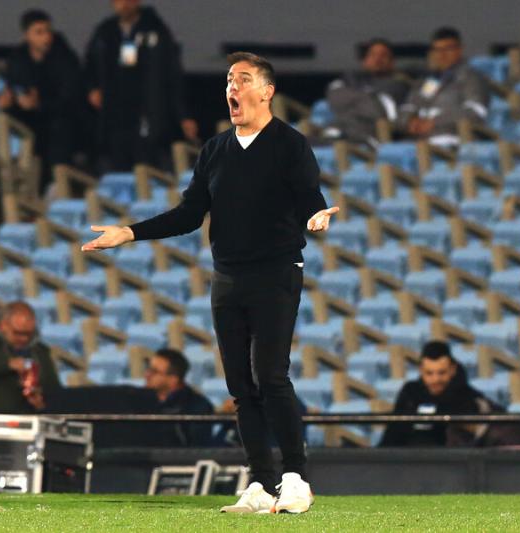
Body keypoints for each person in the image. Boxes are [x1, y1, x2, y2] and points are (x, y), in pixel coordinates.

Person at [81, 52, 340, 514]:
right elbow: (187, 213)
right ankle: (260, 484)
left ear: (266, 90)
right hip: (228, 277)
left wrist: (317, 218)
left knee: (271, 375)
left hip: (276, 273)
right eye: (227, 80)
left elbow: (310, 199)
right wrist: (130, 232)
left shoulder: (290, 144)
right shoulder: (216, 150)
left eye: (242, 80)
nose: (231, 88)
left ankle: (296, 478)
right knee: (241, 386)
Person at [84, 0, 197, 171]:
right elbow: (90, 65)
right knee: (117, 163)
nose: (124, 4)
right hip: (115, 114)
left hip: (147, 112)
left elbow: (171, 75)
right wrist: (92, 88)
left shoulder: (155, 30)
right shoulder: (106, 31)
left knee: (147, 163)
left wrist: (183, 115)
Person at [379, 340, 520, 447]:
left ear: (452, 369)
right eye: (429, 373)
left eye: (441, 373)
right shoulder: (410, 393)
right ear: (421, 370)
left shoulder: (468, 398)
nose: (435, 379)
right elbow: (392, 434)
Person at [0, 9, 83, 194]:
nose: (45, 37)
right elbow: (14, 86)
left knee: (60, 128)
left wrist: (39, 104)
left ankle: (56, 184)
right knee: (6, 124)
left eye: (47, 31)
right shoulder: (18, 59)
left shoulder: (65, 58)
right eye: (39, 32)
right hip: (29, 120)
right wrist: (10, 102)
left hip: (60, 119)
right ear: (26, 35)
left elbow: (70, 98)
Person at [398, 27, 490, 146]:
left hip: (454, 140)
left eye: (448, 49)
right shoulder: (430, 81)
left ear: (459, 50)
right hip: (419, 141)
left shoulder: (471, 77)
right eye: (437, 50)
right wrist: (410, 121)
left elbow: (476, 112)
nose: (442, 55)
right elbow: (410, 106)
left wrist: (435, 122)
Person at [325, 38, 409, 147]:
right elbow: (335, 97)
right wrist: (367, 97)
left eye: (383, 55)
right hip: (342, 130)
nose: (378, 59)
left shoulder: (399, 85)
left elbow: (380, 112)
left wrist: (361, 99)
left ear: (392, 62)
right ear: (364, 60)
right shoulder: (350, 79)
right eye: (373, 55)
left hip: (374, 134)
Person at [145, 348, 214, 446]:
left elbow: (197, 449)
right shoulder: (140, 400)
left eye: (154, 371)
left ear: (173, 379)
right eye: (148, 369)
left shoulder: (197, 406)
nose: (147, 375)